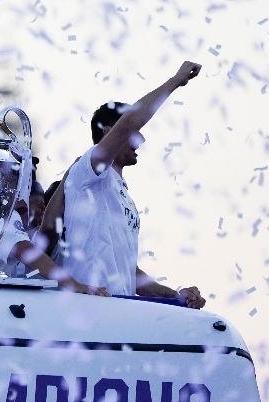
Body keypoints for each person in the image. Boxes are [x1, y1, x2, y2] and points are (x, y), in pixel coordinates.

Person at [61, 61, 206, 308]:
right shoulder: (89, 170)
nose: (141, 138)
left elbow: (130, 273)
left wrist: (174, 295)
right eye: (134, 132)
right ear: (108, 132)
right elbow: (128, 123)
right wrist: (175, 80)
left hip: (120, 312)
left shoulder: (121, 192)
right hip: (85, 310)